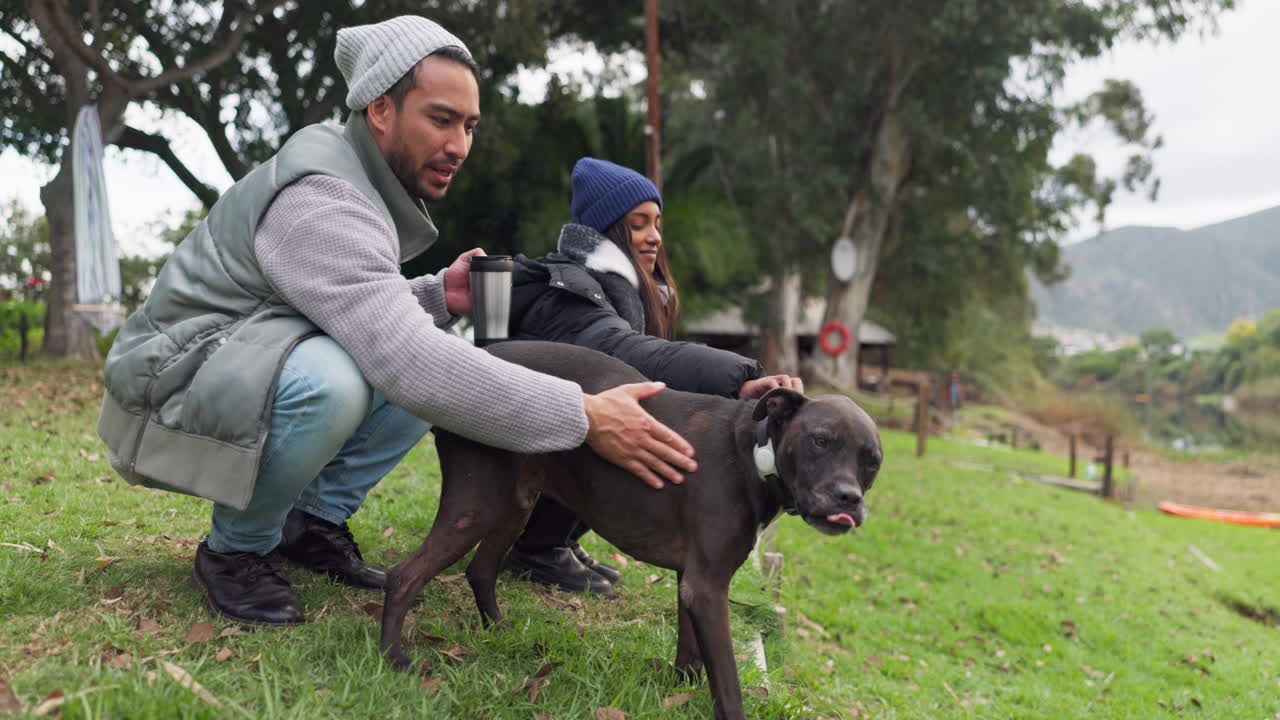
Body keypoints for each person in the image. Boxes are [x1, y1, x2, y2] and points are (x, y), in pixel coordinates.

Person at [95, 17, 697, 628]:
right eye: (441, 119)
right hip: (175, 372)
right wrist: (583, 414)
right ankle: (235, 552)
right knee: (341, 381)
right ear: (381, 109)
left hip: (240, 349)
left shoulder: (359, 178)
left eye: (469, 126)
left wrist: (437, 294)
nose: (461, 145)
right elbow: (405, 359)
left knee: (413, 352)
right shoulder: (322, 198)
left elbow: (333, 299)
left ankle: (312, 525)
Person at [502, 157, 803, 595]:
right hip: (519, 441)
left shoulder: (612, 286)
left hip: (546, 436)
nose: (654, 236)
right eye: (639, 223)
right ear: (606, 228)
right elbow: (621, 351)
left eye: (657, 223)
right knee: (623, 425)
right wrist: (736, 377)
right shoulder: (572, 292)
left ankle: (556, 540)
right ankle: (537, 547)